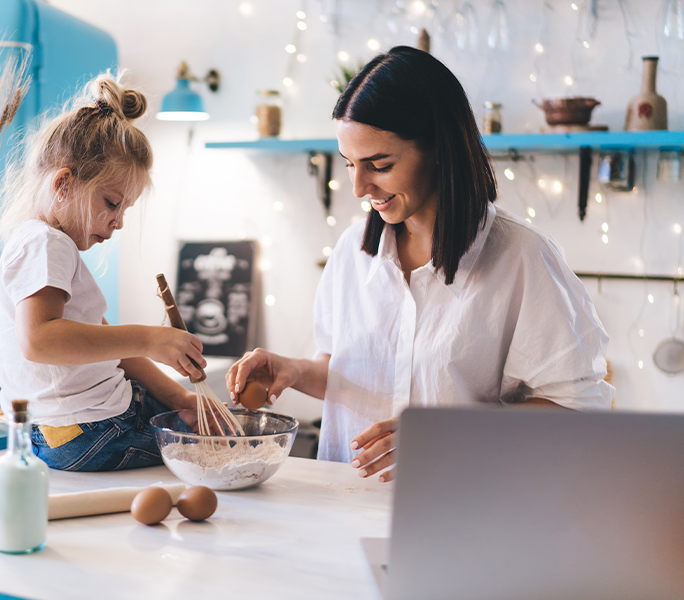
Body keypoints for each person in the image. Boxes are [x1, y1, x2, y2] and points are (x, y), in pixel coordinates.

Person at [226, 46, 614, 482]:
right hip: (342, 504)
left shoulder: (523, 258)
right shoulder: (353, 250)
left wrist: (443, 437)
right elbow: (351, 375)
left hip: (459, 508)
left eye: (379, 164)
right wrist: (293, 370)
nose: (358, 187)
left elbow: (575, 410)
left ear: (438, 149)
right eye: (350, 164)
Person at [0, 71, 206, 471]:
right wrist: (149, 338)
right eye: (111, 203)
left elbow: (109, 347)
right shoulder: (46, 242)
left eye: (125, 210)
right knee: (213, 448)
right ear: (64, 184)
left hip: (61, 434)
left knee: (187, 417)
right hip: (95, 428)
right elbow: (38, 340)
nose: (118, 221)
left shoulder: (42, 245)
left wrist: (177, 398)